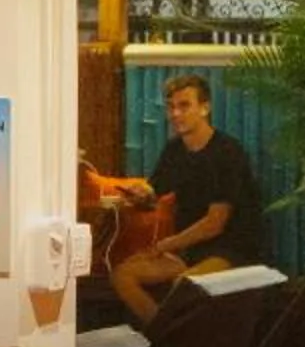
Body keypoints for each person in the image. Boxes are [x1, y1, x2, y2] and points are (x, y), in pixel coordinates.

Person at [109, 73, 263, 323]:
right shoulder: (174, 150)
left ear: (205, 108)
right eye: (171, 107)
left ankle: (173, 335)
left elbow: (214, 223)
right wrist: (139, 195)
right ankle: (163, 333)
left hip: (231, 250)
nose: (175, 114)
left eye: (184, 106)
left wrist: (166, 245)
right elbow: (154, 193)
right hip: (187, 251)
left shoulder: (227, 153)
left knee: (184, 285)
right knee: (122, 275)